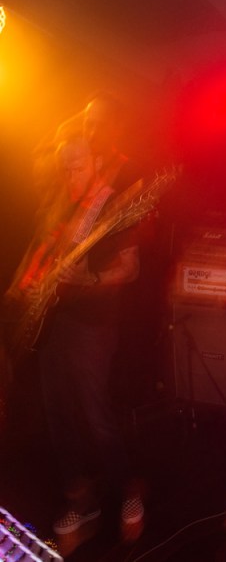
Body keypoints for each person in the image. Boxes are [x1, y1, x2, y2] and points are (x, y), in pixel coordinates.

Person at [8, 131, 145, 554]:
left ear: (98, 163)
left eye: (79, 166)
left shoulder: (114, 205)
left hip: (93, 324)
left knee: (94, 414)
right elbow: (42, 253)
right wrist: (28, 284)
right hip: (54, 324)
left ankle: (128, 489)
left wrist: (91, 278)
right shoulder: (60, 204)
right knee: (59, 417)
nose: (71, 175)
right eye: (65, 168)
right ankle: (81, 501)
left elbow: (131, 269)